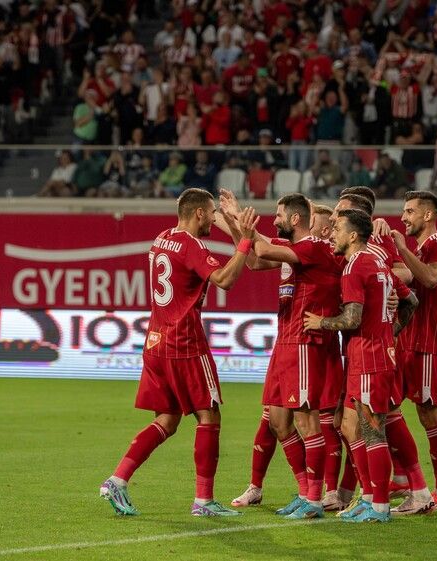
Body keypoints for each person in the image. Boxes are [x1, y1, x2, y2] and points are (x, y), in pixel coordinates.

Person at [100, 189, 258, 517]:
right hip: (185, 343)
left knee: (168, 419)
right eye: (211, 214)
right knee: (209, 415)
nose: (213, 221)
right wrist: (243, 241)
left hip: (156, 342)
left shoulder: (161, 239)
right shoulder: (191, 245)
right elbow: (225, 279)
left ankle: (118, 479)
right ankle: (204, 501)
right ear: (198, 213)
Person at [225, 193, 344, 520]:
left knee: (309, 422)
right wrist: (236, 223)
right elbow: (252, 257)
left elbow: (260, 246)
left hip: (305, 343)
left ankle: (315, 499)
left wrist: (241, 223)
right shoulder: (294, 252)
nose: (273, 220)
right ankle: (305, 490)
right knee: (278, 421)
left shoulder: (314, 248)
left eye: (278, 215)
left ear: (295, 219)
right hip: (286, 342)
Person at [303, 208, 417, 522]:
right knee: (357, 428)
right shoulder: (378, 261)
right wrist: (389, 331)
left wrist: (320, 322)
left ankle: (379, 506)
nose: (333, 234)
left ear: (353, 235)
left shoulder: (355, 267)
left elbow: (352, 318)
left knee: (373, 431)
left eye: (337, 228)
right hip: (373, 355)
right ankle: (370, 499)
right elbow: (411, 301)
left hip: (368, 360)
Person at [390, 190, 437, 513]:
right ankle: (403, 480)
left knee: (429, 415)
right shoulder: (417, 249)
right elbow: (404, 275)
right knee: (385, 406)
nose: (404, 217)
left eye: (410, 211)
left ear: (428, 215)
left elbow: (430, 278)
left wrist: (401, 250)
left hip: (429, 344)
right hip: (405, 341)